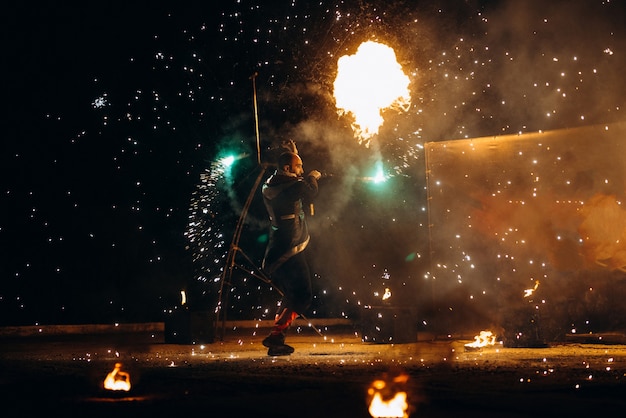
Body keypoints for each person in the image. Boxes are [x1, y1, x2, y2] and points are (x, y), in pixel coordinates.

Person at [261, 140, 321, 356]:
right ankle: (276, 336)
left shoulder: (271, 184)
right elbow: (309, 191)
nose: (302, 171)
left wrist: (293, 155)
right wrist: (313, 176)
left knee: (291, 296)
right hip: (290, 249)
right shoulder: (293, 187)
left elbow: (292, 179)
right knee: (303, 296)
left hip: (279, 248)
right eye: (298, 166)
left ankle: (276, 339)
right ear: (287, 169)